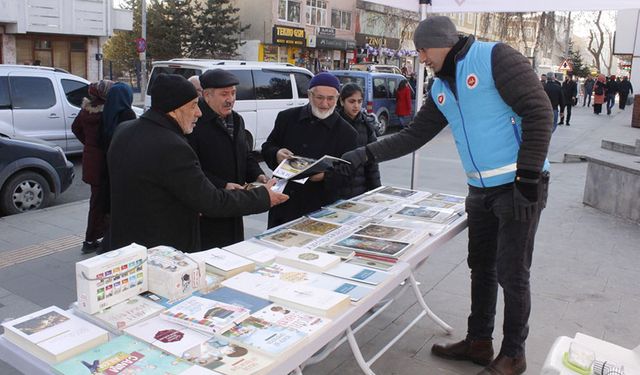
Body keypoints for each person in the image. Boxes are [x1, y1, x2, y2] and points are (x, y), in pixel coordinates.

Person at [341, 16, 551, 375]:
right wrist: (366, 152)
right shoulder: (440, 86)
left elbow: (540, 112)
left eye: (423, 49)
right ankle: (479, 342)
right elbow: (414, 135)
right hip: (480, 189)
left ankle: (514, 354)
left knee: (512, 274)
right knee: (481, 267)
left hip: (518, 186)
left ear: (442, 42)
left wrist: (528, 177)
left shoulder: (495, 58)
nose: (421, 57)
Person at [108, 74, 288, 252]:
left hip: (124, 245)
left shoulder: (124, 129)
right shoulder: (172, 146)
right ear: (175, 109)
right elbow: (210, 201)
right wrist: (263, 197)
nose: (198, 112)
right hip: (160, 249)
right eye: (194, 105)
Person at [261, 72, 357, 228]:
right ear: (309, 95)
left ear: (337, 99)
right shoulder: (287, 118)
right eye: (319, 97)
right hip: (284, 202)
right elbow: (268, 147)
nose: (325, 104)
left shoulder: (347, 132)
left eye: (330, 99)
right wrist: (277, 154)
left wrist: (325, 176)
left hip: (320, 206)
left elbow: (349, 172)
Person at [187, 69, 268, 249]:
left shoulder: (237, 120)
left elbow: (245, 154)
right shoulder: (194, 122)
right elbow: (191, 167)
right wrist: (222, 184)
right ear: (207, 95)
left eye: (233, 93)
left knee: (234, 252)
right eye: (224, 94)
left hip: (234, 205)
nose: (230, 99)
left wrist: (258, 175)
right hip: (208, 206)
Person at [71, 80, 114, 254]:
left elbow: (75, 128)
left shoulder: (85, 110)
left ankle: (96, 236)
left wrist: (88, 144)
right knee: (99, 202)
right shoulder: (106, 113)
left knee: (97, 200)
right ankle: (90, 240)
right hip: (102, 163)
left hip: (90, 161)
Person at [336, 83, 381, 198]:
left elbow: (372, 162)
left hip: (361, 189)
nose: (356, 106)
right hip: (337, 189)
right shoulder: (334, 123)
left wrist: (376, 191)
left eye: (359, 101)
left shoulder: (366, 125)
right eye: (352, 101)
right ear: (342, 101)